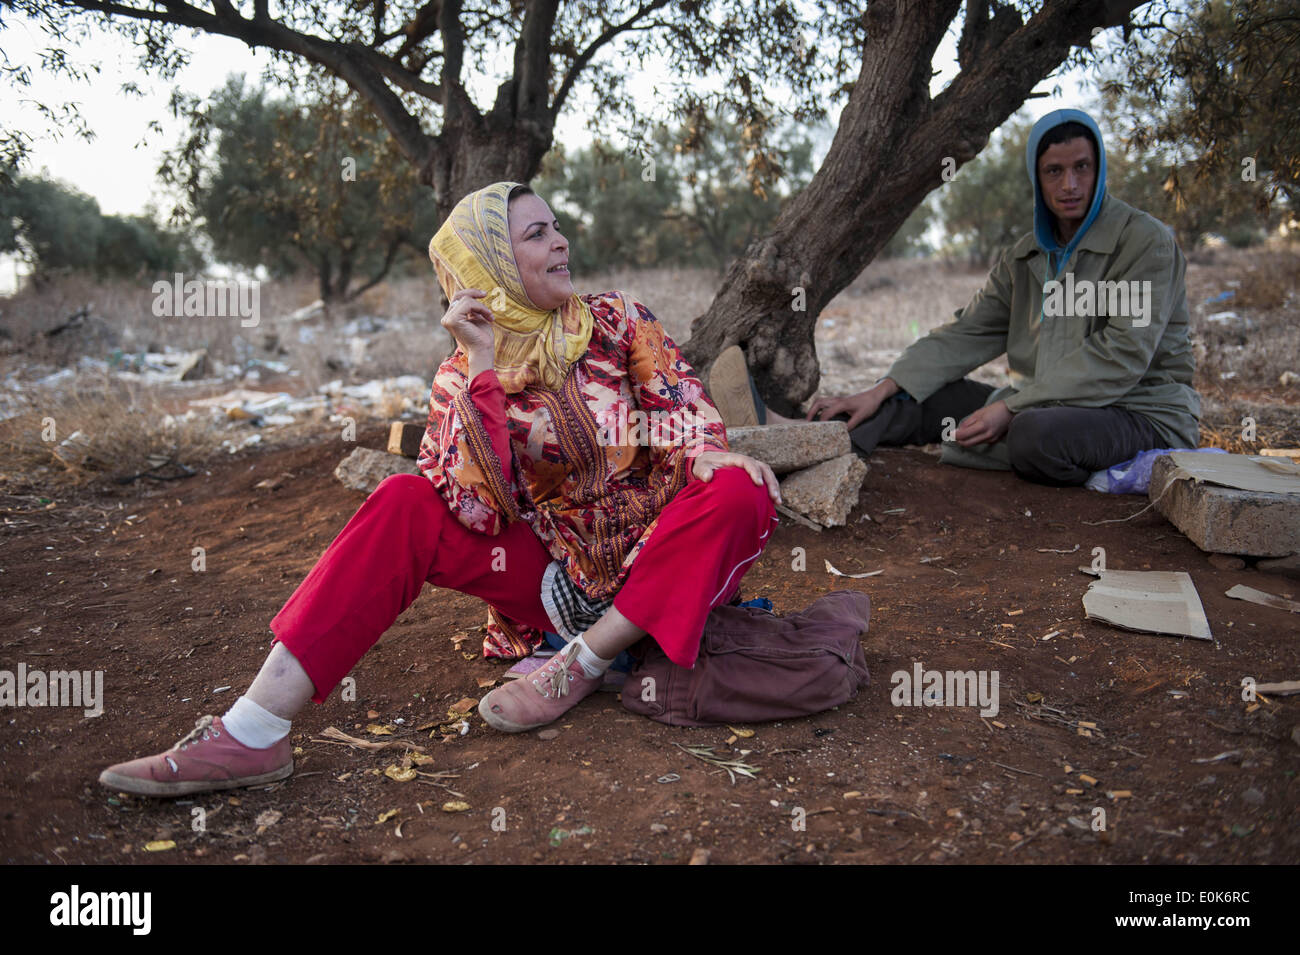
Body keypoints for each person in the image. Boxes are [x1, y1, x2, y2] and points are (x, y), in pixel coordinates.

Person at [98, 182, 780, 797]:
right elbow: (479, 511)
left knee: (739, 490)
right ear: (487, 265)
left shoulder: (618, 320)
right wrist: (483, 366)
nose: (561, 240)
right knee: (403, 501)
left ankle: (587, 660)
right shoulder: (458, 375)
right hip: (552, 581)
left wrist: (705, 453)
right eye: (535, 234)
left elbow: (680, 405)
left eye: (557, 226)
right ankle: (252, 730)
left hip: (657, 558)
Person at [805, 108, 1200, 486]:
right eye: (1054, 171)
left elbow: (1122, 355)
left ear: (1098, 170)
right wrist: (881, 389)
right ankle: (826, 443)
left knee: (1035, 435)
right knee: (920, 393)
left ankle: (1098, 474)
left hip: (1138, 413)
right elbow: (965, 332)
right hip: (1043, 404)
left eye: (1082, 167)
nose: (1070, 185)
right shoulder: (1024, 257)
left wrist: (1012, 408)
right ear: (1036, 177)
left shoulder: (1145, 243)